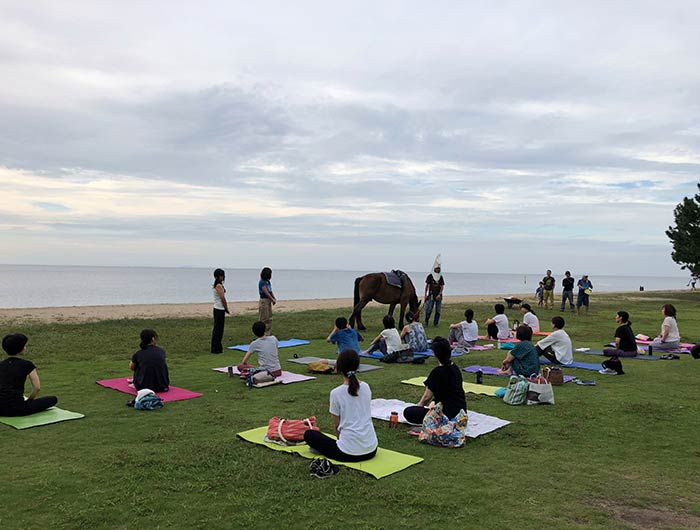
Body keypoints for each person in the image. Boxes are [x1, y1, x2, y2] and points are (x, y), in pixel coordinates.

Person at [303, 349, 378, 463]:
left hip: (348, 453)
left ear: (339, 368)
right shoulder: (366, 387)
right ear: (357, 367)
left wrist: (340, 444)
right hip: (371, 449)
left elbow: (337, 426)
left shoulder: (336, 393)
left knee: (309, 434)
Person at [403, 337, 467, 425]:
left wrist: (418, 407)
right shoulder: (455, 368)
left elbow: (426, 398)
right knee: (434, 401)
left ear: (435, 353)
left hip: (446, 415)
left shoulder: (437, 372)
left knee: (409, 412)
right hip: (461, 412)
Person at [0, 333, 58, 417]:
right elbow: (37, 388)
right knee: (53, 399)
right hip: (17, 409)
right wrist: (29, 401)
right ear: (21, 348)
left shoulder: (1, 364)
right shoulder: (27, 364)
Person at [599, 311, 637, 376]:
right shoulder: (628, 327)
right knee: (614, 353)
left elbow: (617, 342)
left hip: (628, 352)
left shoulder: (620, 329)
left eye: (617, 316)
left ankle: (612, 369)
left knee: (606, 351)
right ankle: (614, 368)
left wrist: (617, 349)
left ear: (620, 318)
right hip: (634, 351)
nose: (615, 317)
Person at [211, 268, 230, 354]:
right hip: (219, 309)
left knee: (218, 329)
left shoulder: (219, 285)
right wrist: (226, 308)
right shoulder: (218, 286)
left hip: (218, 308)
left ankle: (217, 347)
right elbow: (222, 298)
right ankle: (216, 348)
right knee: (218, 330)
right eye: (221, 276)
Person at [424, 255, 445, 327]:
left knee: (438, 311)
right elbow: (427, 286)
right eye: (436, 269)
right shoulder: (430, 276)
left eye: (439, 269)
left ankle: (435, 323)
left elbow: (442, 286)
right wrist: (426, 295)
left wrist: (439, 294)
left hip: (438, 296)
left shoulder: (441, 277)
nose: (438, 270)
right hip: (431, 295)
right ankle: (426, 321)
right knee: (429, 309)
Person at [258, 267, 277, 335]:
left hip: (268, 301)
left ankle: (268, 333)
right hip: (264, 301)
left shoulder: (268, 282)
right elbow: (266, 292)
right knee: (264, 318)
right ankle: (262, 333)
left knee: (269, 318)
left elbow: (270, 291)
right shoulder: (262, 282)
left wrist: (274, 298)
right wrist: (272, 299)